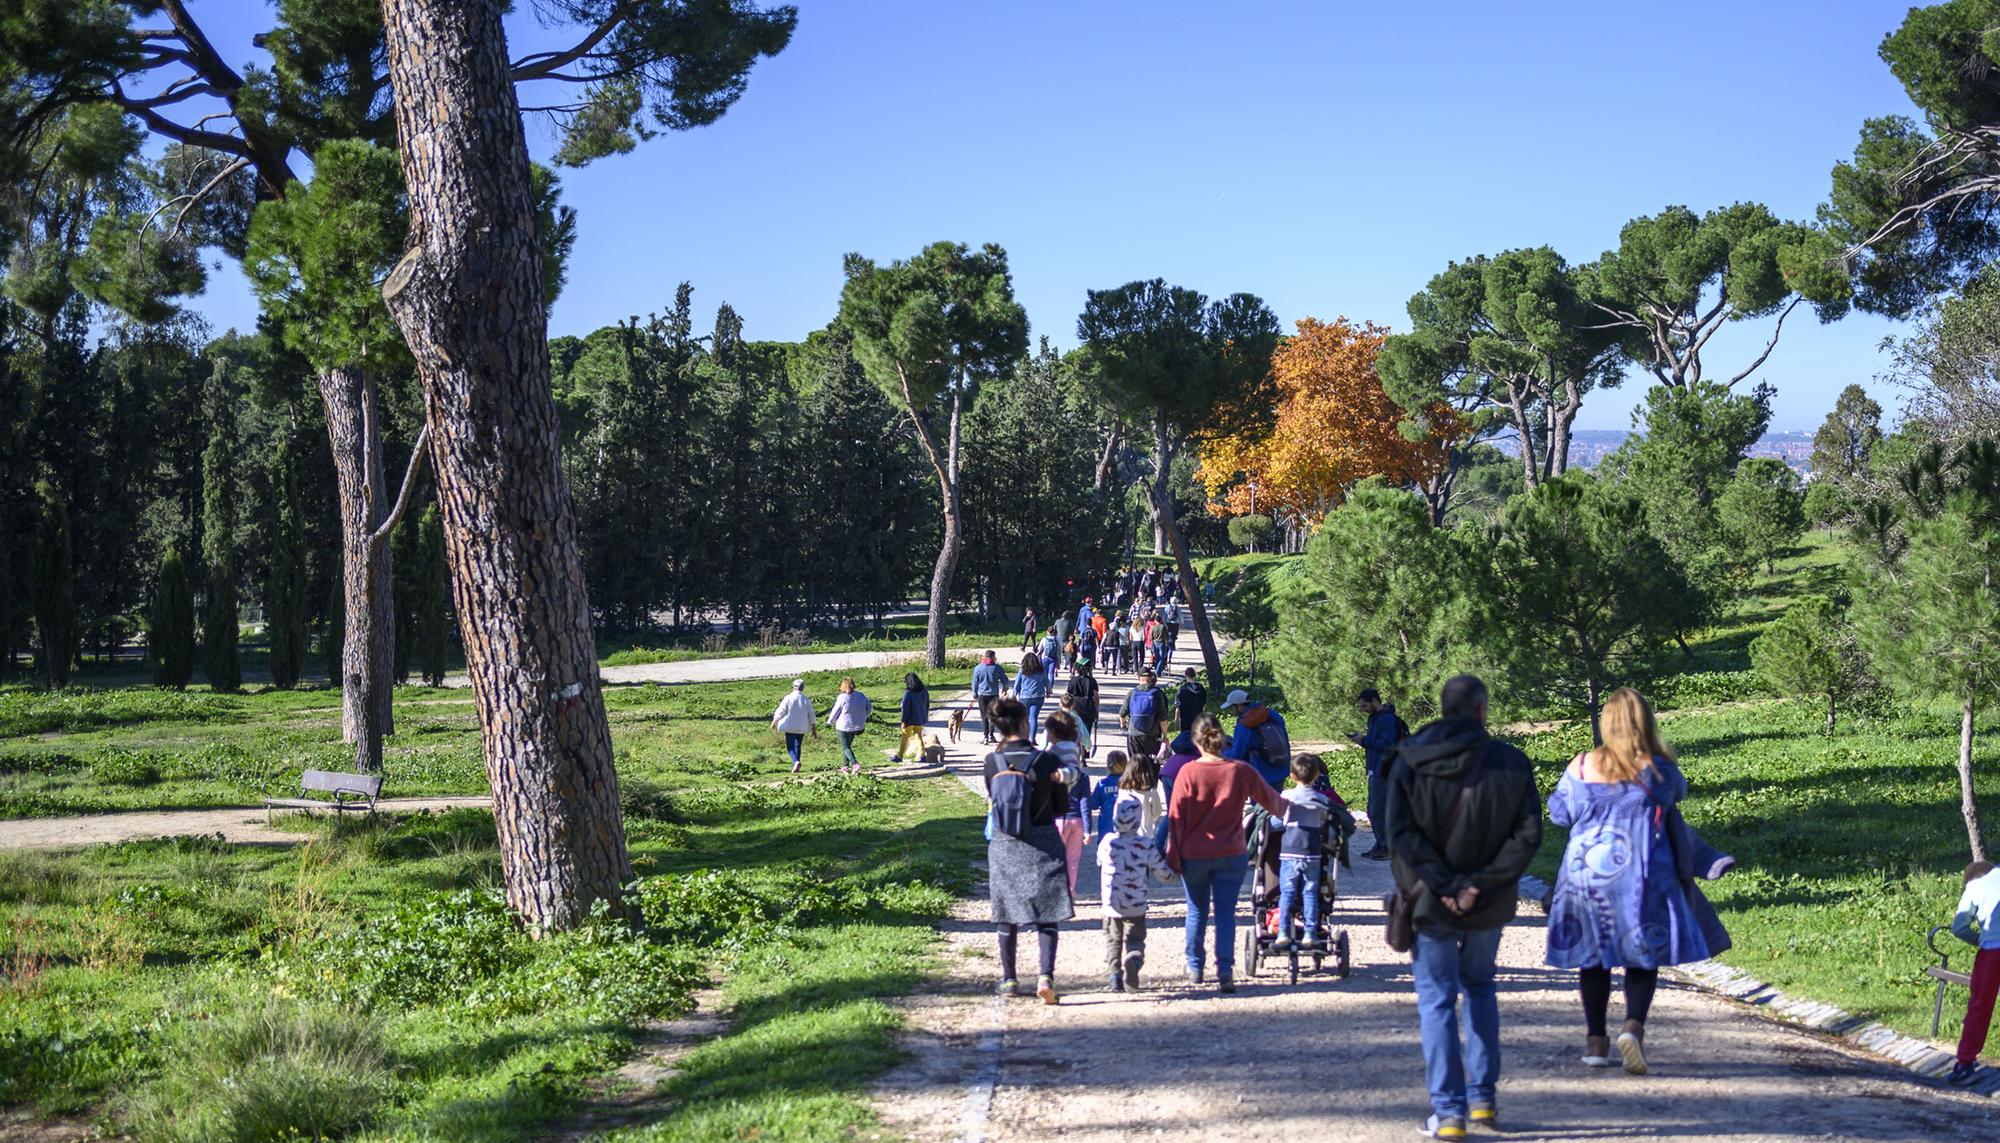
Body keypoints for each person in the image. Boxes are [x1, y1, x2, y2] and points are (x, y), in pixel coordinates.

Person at [1384, 675, 1542, 1140]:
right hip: (1486, 903)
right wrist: (1478, 884)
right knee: (1478, 987)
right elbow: (1527, 835)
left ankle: (1449, 1113)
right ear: (1481, 710)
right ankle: (1483, 1102)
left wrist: (1443, 883)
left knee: (1436, 1001)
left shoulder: (1409, 759)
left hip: (1429, 900)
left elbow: (1399, 833)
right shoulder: (1511, 763)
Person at [1546, 687, 1724, 1078]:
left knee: (1593, 958)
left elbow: (1559, 814)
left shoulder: (1580, 766)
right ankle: (1632, 1028)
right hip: (1644, 875)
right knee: (1643, 956)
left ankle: (1595, 1043)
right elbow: (1677, 795)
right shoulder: (1660, 771)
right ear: (1646, 722)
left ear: (1606, 722)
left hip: (1587, 877)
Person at [1164, 713, 1284, 991]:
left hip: (1194, 853)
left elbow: (1175, 818)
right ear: (1221, 737)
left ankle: (1195, 967)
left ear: (1196, 741)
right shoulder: (1240, 770)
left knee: (1196, 911)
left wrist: (1173, 856)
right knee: (1225, 913)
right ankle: (1225, 971)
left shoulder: (1188, 772)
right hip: (1231, 852)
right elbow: (1276, 804)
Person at [983, 698, 1078, 1004]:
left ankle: (1009, 979)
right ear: (1025, 722)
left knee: (1006, 914)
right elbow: (1062, 805)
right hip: (1043, 841)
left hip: (1005, 843)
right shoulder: (1047, 762)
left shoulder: (991, 762)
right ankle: (1045, 977)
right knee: (1047, 913)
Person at [1098, 796, 1171, 992]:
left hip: (1111, 903)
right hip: (1136, 902)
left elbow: (1099, 862)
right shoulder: (1145, 844)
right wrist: (1172, 875)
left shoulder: (1107, 842)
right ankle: (1134, 957)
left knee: (1113, 938)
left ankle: (1114, 975)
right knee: (1136, 937)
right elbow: (1161, 872)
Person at [1273, 753, 1333, 952]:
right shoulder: (1322, 799)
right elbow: (1325, 824)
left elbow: (1276, 820)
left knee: (1287, 892)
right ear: (1317, 775)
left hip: (1289, 852)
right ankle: (1309, 933)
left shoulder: (1286, 797)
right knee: (1309, 892)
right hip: (1312, 853)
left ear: (1292, 776)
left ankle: (1282, 932)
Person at [1948, 860, 2000, 1085]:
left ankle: (1965, 1064)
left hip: (1991, 953)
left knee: (1980, 1007)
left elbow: (1958, 927)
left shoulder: (1975, 887)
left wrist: (1981, 939)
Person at [1352, 688, 1406, 860]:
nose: (1363, 709)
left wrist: (1364, 740)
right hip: (1375, 770)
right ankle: (1380, 844)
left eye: (1364, 705)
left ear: (1375, 700)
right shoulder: (1374, 719)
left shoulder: (1387, 719)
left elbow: (1386, 743)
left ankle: (1387, 847)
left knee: (1378, 810)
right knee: (1372, 810)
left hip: (1385, 772)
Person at [1048, 711, 1090, 893]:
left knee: (1054, 857)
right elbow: (1085, 801)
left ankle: (1055, 891)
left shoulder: (1052, 754)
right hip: (1077, 820)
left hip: (1058, 818)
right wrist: (1088, 828)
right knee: (1072, 860)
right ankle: (1069, 891)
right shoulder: (1074, 754)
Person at [1223, 689, 1291, 788]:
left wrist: (1224, 752)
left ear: (1239, 706)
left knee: (1260, 804)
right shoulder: (1271, 714)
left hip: (1260, 774)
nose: (1230, 711)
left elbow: (1238, 755)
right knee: (1276, 802)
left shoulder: (1245, 725)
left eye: (1231, 707)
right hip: (1281, 769)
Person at [824, 677, 872, 775]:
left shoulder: (842, 697)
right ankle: (845, 766)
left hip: (843, 726)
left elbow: (835, 711)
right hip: (856, 725)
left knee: (845, 747)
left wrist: (829, 721)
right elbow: (869, 707)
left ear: (843, 686)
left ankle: (855, 764)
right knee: (847, 747)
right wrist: (864, 717)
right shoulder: (861, 695)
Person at [1120, 669, 1169, 762]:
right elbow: (1163, 718)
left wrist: (1124, 725)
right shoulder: (1157, 694)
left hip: (1134, 734)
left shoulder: (1132, 693)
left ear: (1138, 678)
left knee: (1135, 764)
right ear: (1151, 678)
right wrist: (1165, 736)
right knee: (1152, 764)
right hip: (1152, 735)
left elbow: (1122, 713)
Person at [770, 679, 815, 773]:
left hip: (790, 725)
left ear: (793, 687)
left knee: (790, 746)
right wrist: (813, 728)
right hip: (802, 726)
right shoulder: (806, 699)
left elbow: (781, 710)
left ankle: (795, 761)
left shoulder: (788, 698)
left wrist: (775, 720)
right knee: (798, 745)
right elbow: (811, 714)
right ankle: (797, 764)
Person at [971, 651, 1010, 745]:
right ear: (992, 657)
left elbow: (975, 682)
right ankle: (991, 735)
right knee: (993, 716)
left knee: (984, 716)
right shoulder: (997, 668)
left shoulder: (978, 668)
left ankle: (985, 737)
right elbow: (1005, 679)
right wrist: (1005, 688)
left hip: (982, 695)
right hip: (993, 695)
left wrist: (974, 693)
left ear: (985, 657)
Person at [1065, 660, 1101, 756]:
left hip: (1075, 705)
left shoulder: (1072, 680)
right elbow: (1096, 697)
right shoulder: (1092, 681)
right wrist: (1097, 710)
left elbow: (1067, 695)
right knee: (1086, 730)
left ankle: (1075, 752)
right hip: (1088, 705)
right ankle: (1085, 754)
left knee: (1075, 729)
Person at [1089, 748, 1127, 838]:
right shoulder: (1129, 784)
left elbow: (1094, 805)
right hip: (1125, 825)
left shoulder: (1102, 784)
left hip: (1106, 826)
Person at [1015, 651, 1049, 744]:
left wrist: (1015, 693)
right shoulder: (1041, 670)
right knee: (1033, 718)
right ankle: (1032, 738)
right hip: (1039, 696)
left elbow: (1017, 683)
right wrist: (1049, 691)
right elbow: (1046, 681)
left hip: (1024, 696)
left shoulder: (1022, 670)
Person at [897, 673, 930, 763]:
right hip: (920, 718)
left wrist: (903, 721)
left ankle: (899, 756)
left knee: (905, 737)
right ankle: (922, 755)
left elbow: (905, 708)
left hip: (910, 720)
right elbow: (927, 704)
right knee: (918, 736)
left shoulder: (908, 693)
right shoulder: (923, 691)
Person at [1174, 668, 1207, 736]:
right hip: (1198, 720)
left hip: (1185, 721)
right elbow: (1204, 706)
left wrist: (1176, 721)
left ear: (1186, 676)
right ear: (1195, 675)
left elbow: (1178, 709)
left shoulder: (1182, 690)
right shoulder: (1201, 688)